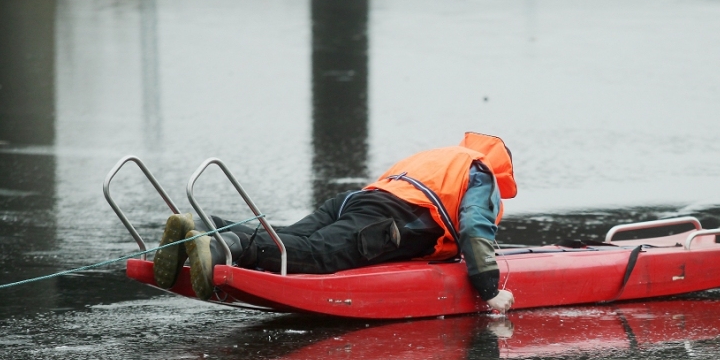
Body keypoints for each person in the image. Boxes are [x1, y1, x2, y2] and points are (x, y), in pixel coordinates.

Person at [152, 132, 517, 312]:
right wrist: (489, 289)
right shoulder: (482, 175)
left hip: (354, 201)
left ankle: (205, 230)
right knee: (318, 257)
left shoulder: (444, 156)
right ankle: (224, 247)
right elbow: (474, 228)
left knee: (287, 239)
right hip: (388, 221)